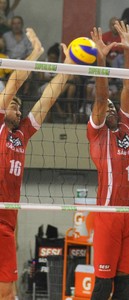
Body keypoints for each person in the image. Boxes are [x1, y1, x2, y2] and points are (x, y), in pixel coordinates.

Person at [0, 28, 73, 299]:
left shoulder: (22, 135)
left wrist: (67, 67)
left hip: (7, 222)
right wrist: (36, 53)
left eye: (20, 108)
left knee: (7, 292)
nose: (17, 110)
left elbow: (47, 99)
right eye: (14, 107)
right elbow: (14, 83)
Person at [88, 22, 129, 300]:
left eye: (114, 107)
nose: (111, 108)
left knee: (127, 284)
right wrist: (101, 58)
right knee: (102, 284)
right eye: (106, 108)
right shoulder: (97, 134)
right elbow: (102, 96)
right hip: (109, 213)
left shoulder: (128, 125)